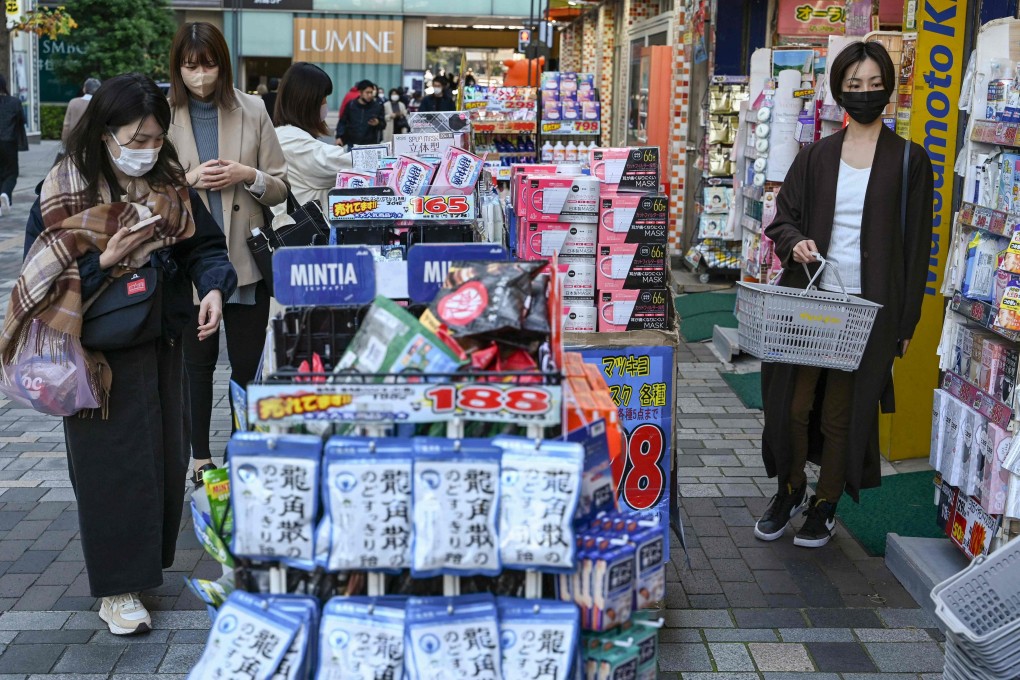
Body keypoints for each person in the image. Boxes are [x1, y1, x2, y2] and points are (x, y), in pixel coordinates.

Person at [3, 73, 236, 635]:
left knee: (162, 461)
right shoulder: (65, 189)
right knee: (111, 469)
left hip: (162, 341)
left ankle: (141, 571)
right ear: (104, 134)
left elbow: (203, 243)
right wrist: (105, 261)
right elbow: (40, 285)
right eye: (136, 140)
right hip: (97, 355)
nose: (147, 151)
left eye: (156, 138)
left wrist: (211, 286)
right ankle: (116, 589)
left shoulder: (168, 180)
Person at [755, 40, 934, 548]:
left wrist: (905, 325)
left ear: (888, 90)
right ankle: (790, 489)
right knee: (790, 404)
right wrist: (796, 244)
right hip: (810, 303)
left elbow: (918, 248)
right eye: (854, 86)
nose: (864, 94)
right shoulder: (815, 156)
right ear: (838, 92)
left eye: (874, 85)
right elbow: (781, 218)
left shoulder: (909, 161)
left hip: (870, 311)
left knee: (843, 414)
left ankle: (825, 503)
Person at [166, 22, 289, 486]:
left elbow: (281, 187)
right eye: (191, 66)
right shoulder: (162, 113)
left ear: (224, 62)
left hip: (247, 262)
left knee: (245, 366)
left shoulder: (253, 109)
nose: (201, 76)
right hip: (190, 264)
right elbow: (146, 189)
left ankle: (241, 451)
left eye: (210, 64)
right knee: (195, 369)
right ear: (178, 66)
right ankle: (200, 459)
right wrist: (190, 182)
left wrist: (248, 173)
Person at [273, 62, 352, 209]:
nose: (326, 103)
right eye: (323, 98)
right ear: (308, 102)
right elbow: (339, 163)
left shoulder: (284, 134)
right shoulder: (293, 141)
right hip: (305, 228)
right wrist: (388, 154)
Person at [0, 75, 26, 215]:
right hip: (9, 142)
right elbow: (22, 119)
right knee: (11, 173)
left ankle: (4, 202)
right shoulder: (14, 102)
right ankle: (5, 194)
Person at [335, 80, 384, 148]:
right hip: (352, 143)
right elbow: (342, 122)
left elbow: (383, 124)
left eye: (371, 92)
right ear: (360, 92)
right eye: (367, 92)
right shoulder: (351, 105)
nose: (370, 95)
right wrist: (339, 136)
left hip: (370, 144)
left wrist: (377, 123)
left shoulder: (377, 106)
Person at [61, 78, 101, 147]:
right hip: (93, 144)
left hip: (74, 142)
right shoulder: (100, 104)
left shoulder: (73, 102)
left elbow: (66, 125)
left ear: (84, 89)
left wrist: (64, 142)